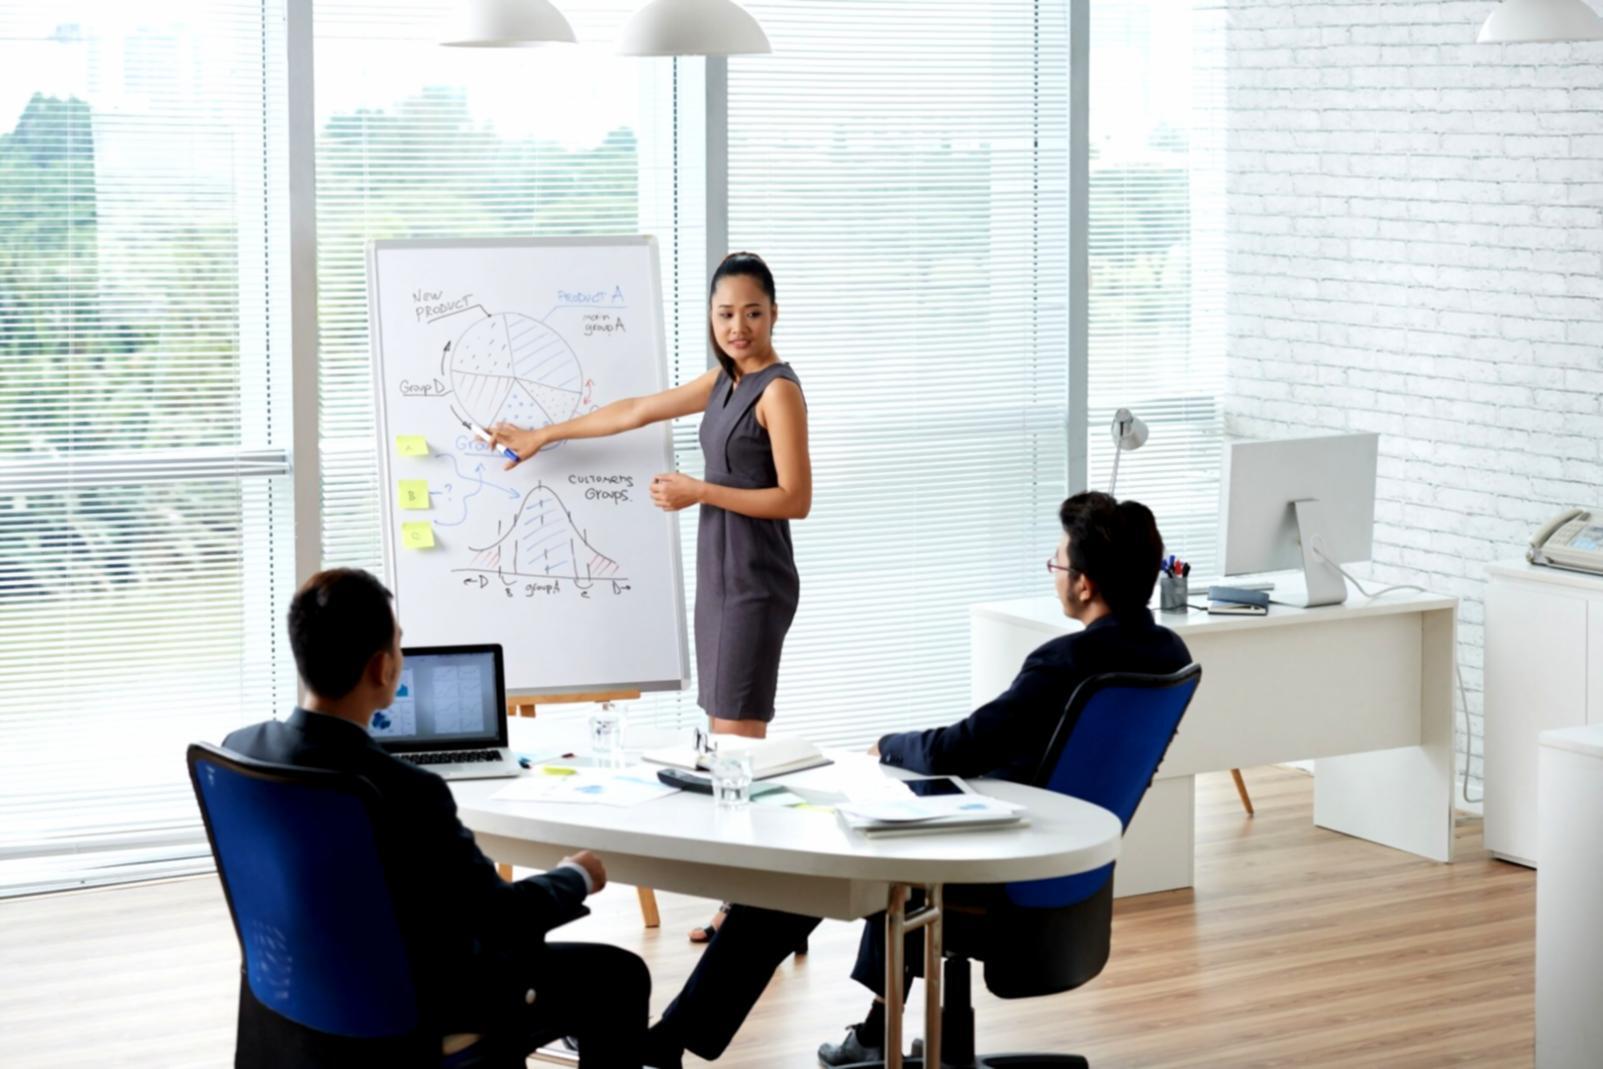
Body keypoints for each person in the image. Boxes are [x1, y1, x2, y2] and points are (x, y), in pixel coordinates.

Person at [639, 492, 1193, 1069]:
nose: (1053, 573)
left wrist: (889, 744)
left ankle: (670, 1042)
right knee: (879, 839)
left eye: (1057, 562)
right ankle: (875, 1031)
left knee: (803, 874)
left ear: (1085, 583)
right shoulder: (1168, 654)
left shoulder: (1065, 662)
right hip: (1067, 864)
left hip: (1001, 868)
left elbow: (962, 747)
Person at [491, 251, 810, 943]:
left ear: (773, 314)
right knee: (724, 740)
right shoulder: (725, 381)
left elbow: (795, 498)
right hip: (719, 572)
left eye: (752, 313)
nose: (738, 326)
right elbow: (633, 411)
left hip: (755, 578)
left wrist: (700, 490)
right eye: (725, 314)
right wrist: (543, 435)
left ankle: (755, 909)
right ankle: (754, 903)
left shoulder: (777, 391)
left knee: (737, 746)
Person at [223, 568, 651, 1068]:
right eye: (399, 644)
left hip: (296, 997)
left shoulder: (242, 751)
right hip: (411, 1014)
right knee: (619, 976)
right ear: (382, 667)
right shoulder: (406, 790)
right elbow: (498, 918)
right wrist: (575, 876)